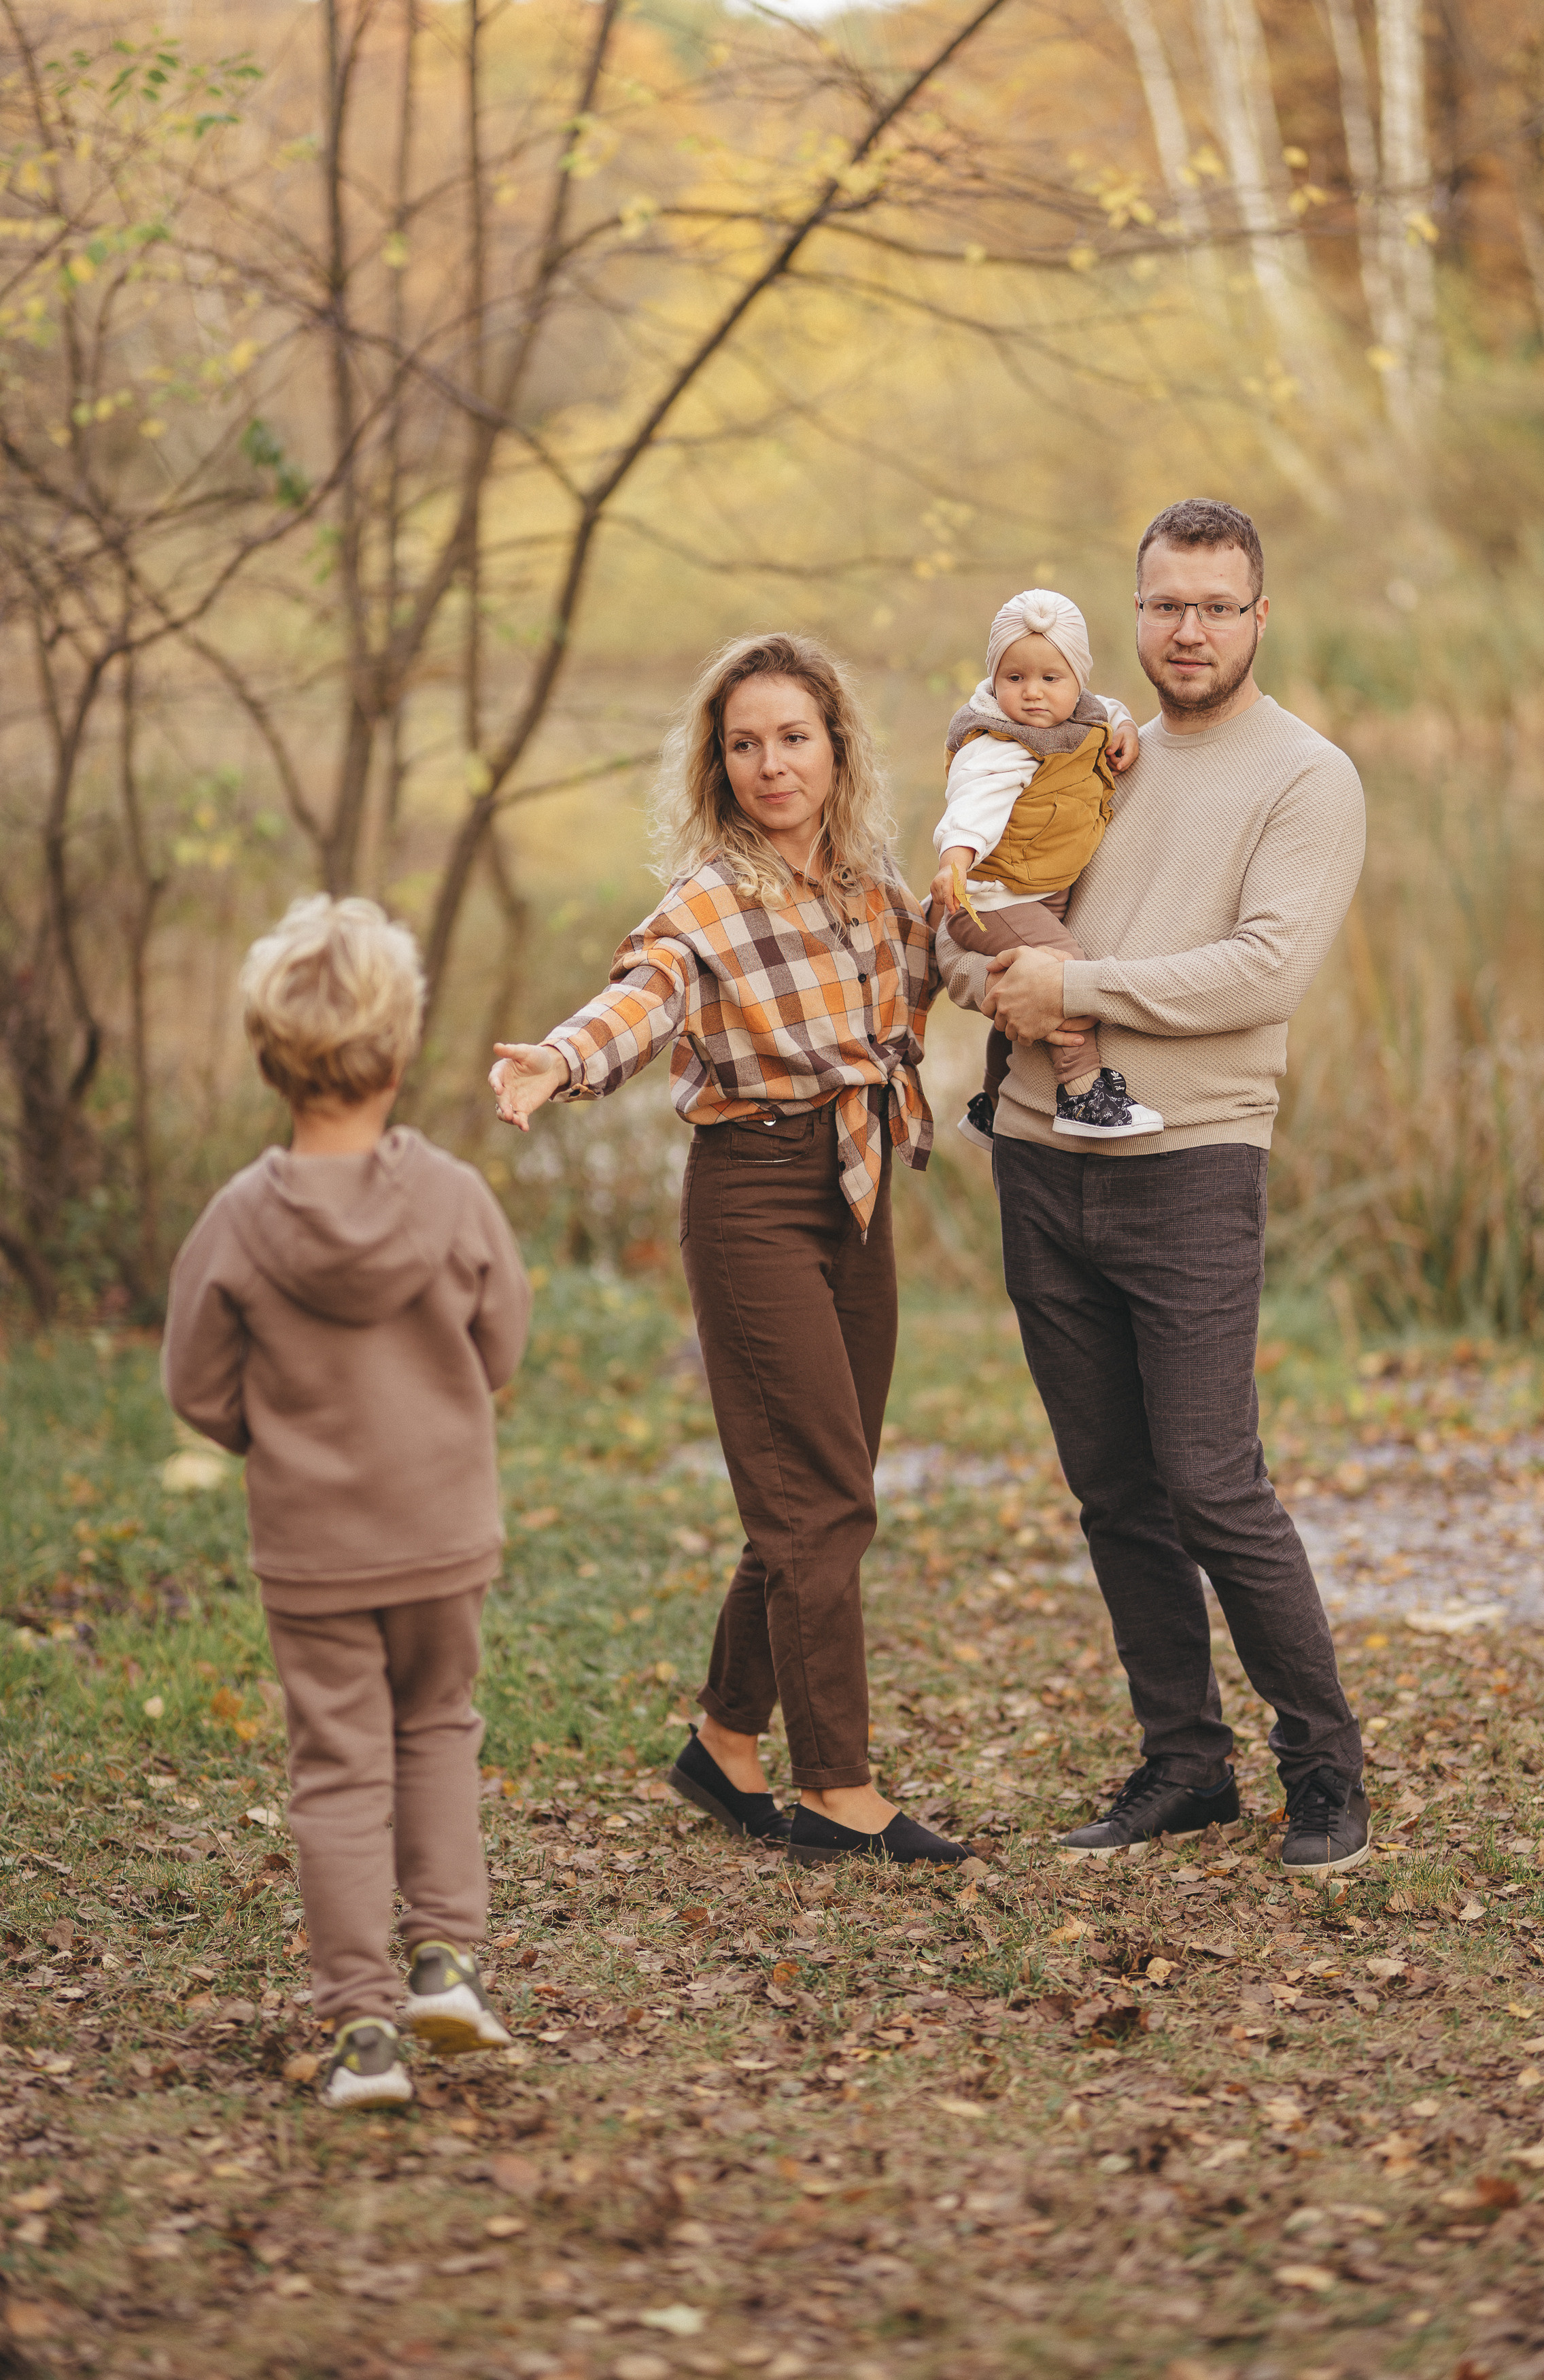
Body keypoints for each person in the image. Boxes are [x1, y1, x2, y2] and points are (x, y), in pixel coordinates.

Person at [936, 498, 1371, 1876]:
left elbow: (1265, 971)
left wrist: (1080, 988)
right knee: (1113, 1487)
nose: (1188, 629)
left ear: (1258, 616)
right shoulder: (1070, 750)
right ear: (1133, 613)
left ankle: (1326, 1771)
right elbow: (981, 930)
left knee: (1208, 1476)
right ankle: (1184, 1765)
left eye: (1216, 605)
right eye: (1165, 603)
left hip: (1189, 1161)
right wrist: (994, 989)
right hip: (1036, 1156)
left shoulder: (1306, 776)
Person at [490, 632, 972, 1869]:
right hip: (752, 1196)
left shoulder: (869, 887)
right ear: (719, 763)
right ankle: (840, 1792)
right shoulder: (705, 900)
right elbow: (641, 997)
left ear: (836, 749)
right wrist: (557, 1059)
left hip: (853, 1190)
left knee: (816, 1487)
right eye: (745, 744)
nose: (771, 765)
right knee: (822, 1499)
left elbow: (952, 964)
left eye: (793, 738)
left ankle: (723, 1742)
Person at [162, 896, 530, 2107]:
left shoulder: (236, 1223)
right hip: (442, 1535)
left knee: (335, 1768)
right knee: (437, 1727)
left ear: (271, 1056)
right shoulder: (458, 1200)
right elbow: (500, 1346)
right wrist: (439, 1413)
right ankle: (441, 1961)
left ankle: (363, 2034)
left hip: (315, 1552)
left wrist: (280, 1441)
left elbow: (199, 1392)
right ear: (401, 1046)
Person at [928, 586, 1162, 1147]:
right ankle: (1082, 1091)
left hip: (1037, 888)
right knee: (1063, 976)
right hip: (990, 896)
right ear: (995, 678)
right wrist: (954, 860)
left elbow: (1110, 709)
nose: (1031, 693)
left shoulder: (1085, 713)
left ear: (1076, 678)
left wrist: (1126, 731)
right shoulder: (998, 744)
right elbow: (971, 809)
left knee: (1022, 993)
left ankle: (992, 1102)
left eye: (1049, 679)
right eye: (1014, 678)